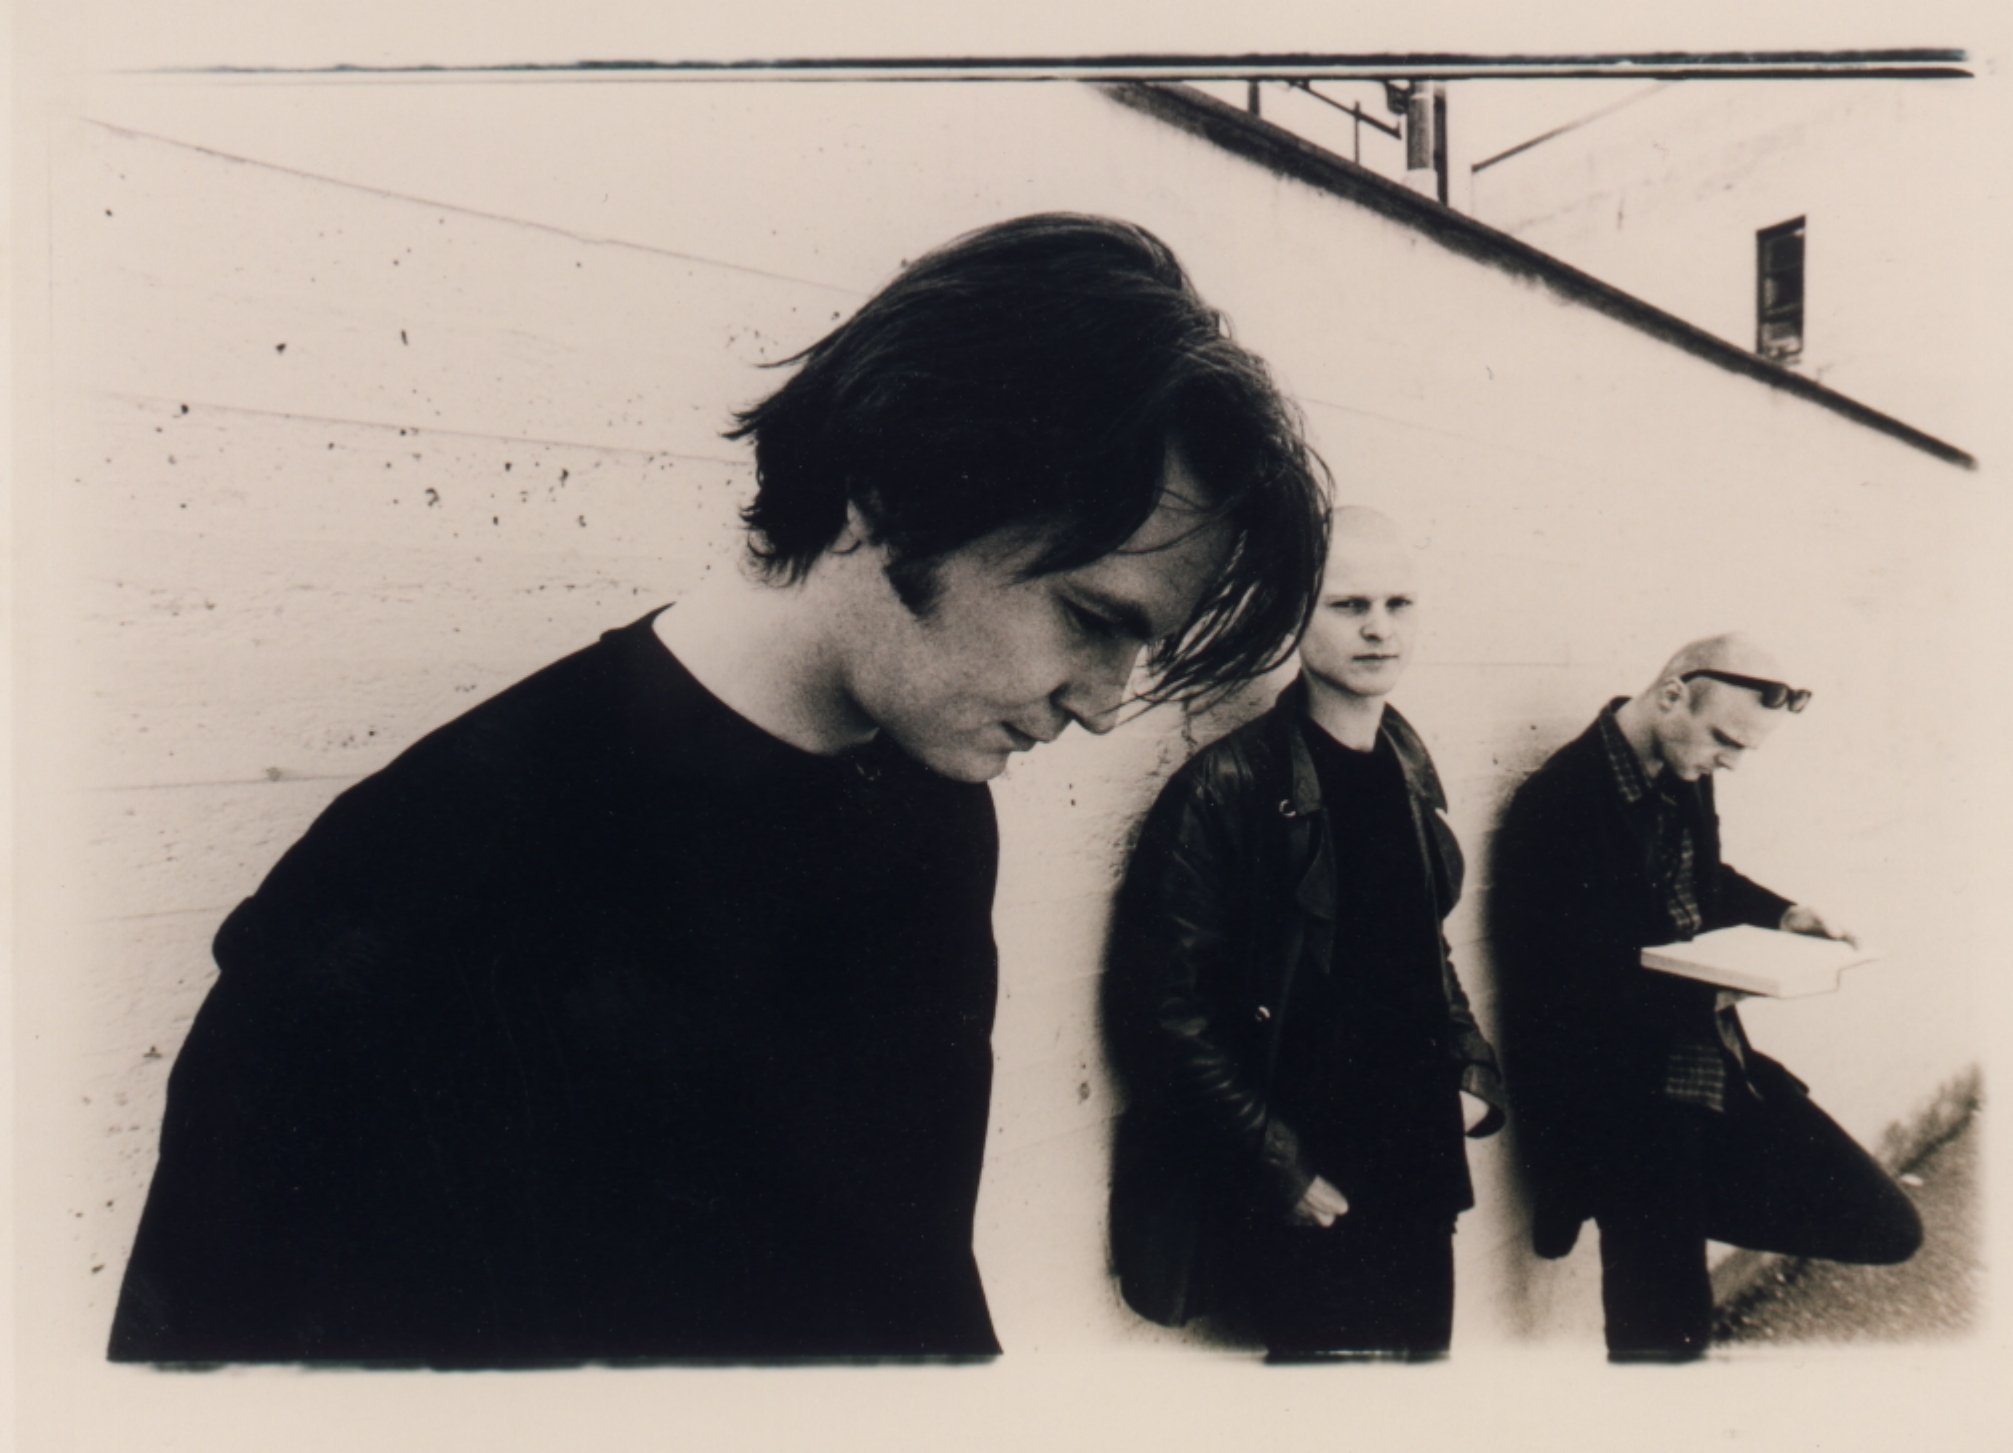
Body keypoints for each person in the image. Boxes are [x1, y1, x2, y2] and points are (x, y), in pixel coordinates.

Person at [108, 213, 1330, 1364]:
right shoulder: (418, 885)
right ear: (901, 487)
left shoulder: (932, 801)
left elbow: (907, 1285)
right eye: (1092, 618)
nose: (1106, 703)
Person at [1105, 508, 1505, 1360]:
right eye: (1348, 604)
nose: (1378, 628)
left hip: (1420, 1164)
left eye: (1398, 604)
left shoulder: (1407, 766)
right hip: (1313, 1183)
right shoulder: (1227, 785)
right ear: (1292, 617)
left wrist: (1471, 1069)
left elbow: (1424, 945)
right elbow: (1163, 1010)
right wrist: (1279, 1167)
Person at [1491, 635, 1922, 1361]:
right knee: (1664, 1340)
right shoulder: (1558, 806)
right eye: (1726, 740)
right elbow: (1562, 994)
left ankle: (1666, 1211)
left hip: (1711, 1071)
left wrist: (1784, 916)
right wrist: (1716, 988)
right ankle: (1635, 1210)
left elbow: (1700, 876)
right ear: (1670, 695)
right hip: (1625, 1111)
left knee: (1885, 1223)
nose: (1731, 762)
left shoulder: (1680, 764)